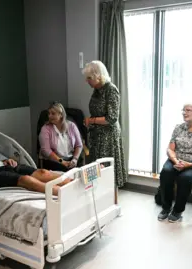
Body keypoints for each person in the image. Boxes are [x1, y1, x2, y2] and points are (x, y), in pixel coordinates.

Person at [157, 104, 192, 222]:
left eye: (188, 110)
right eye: (183, 110)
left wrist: (190, 165)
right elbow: (170, 149)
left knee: (185, 178)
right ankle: (166, 208)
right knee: (166, 172)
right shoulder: (178, 128)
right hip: (177, 160)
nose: (184, 112)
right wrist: (176, 161)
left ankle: (178, 211)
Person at [82, 60, 127, 188]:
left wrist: (91, 121)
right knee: (96, 169)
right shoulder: (96, 90)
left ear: (98, 76)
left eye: (89, 78)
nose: (87, 81)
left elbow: (111, 118)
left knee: (107, 169)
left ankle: (111, 199)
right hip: (96, 135)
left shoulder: (111, 90)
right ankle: (98, 198)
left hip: (108, 136)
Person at [39, 102, 83, 172]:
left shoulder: (71, 126)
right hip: (55, 161)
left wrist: (75, 159)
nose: (50, 116)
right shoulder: (45, 129)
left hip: (71, 159)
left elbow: (79, 145)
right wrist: (62, 162)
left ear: (61, 115)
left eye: (53, 114)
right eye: (49, 114)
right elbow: (46, 150)